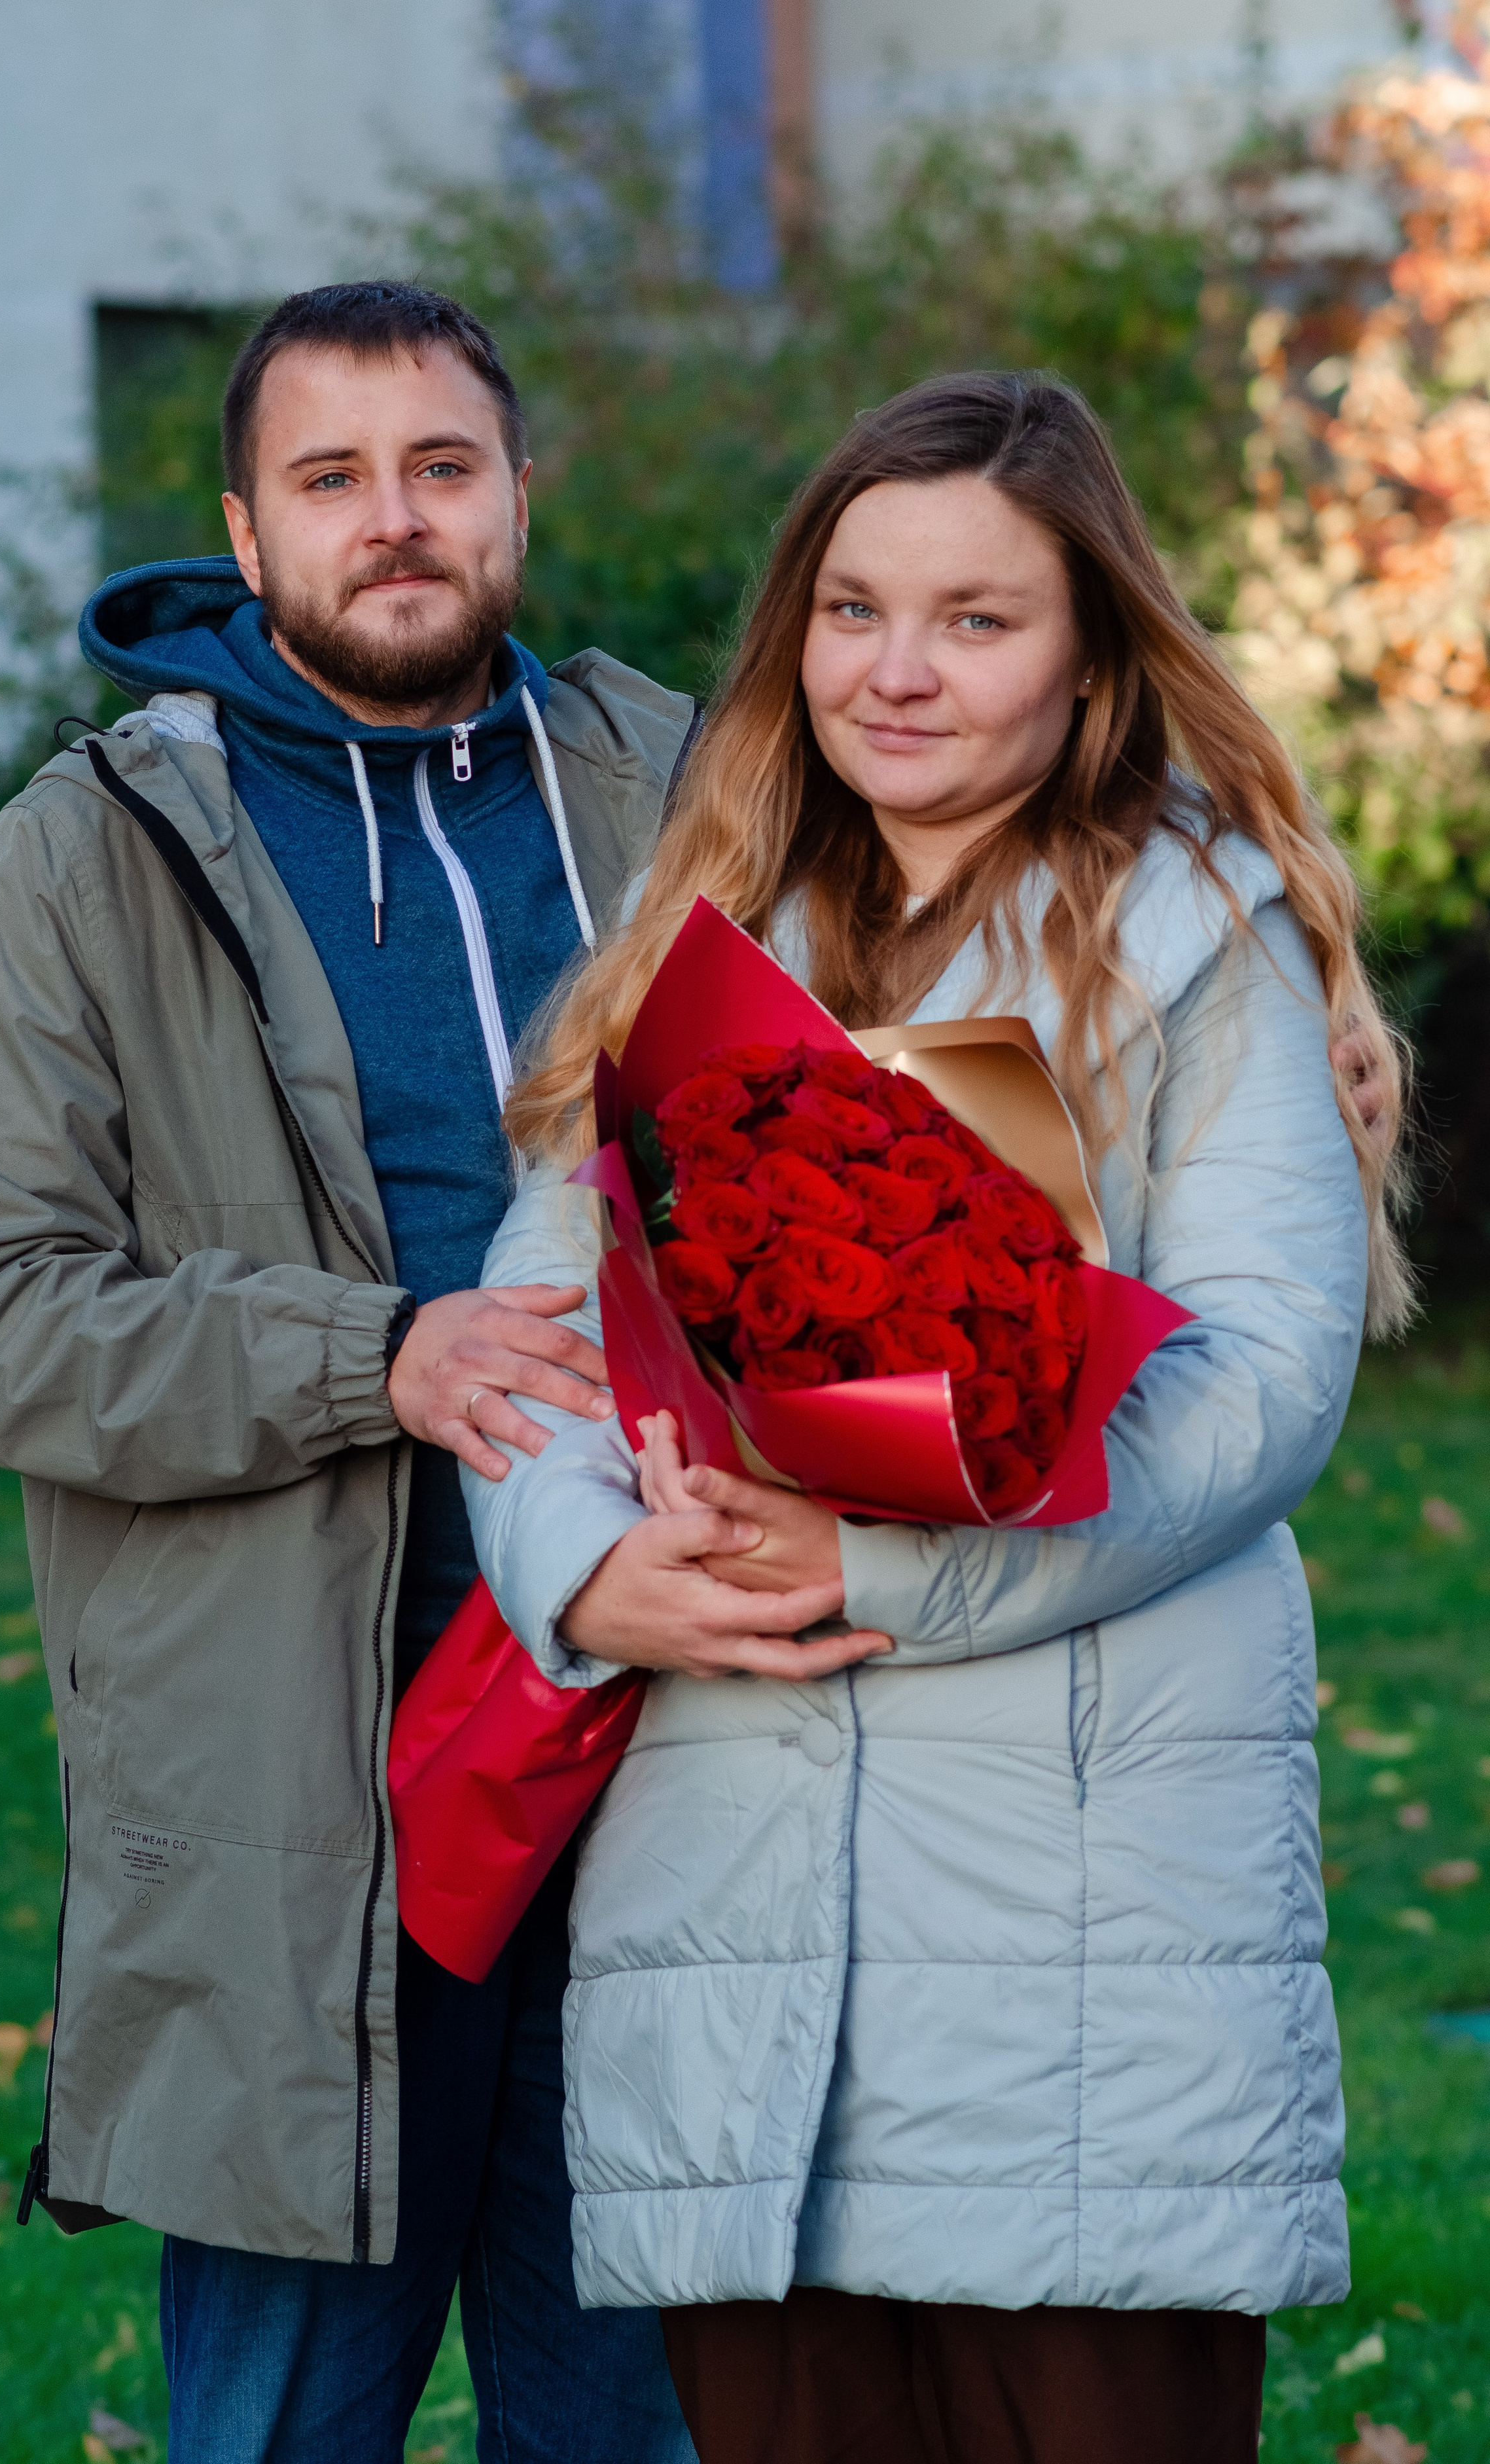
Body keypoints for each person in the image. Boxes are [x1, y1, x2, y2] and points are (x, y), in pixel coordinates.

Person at [461, 370, 1411, 2464]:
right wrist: (592, 1568)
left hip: (1083, 1902)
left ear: (1089, 664)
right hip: (732, 1872)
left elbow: (1259, 1389)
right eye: (855, 607)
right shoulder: (689, 939)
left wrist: (878, 1561)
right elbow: (530, 1334)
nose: (898, 672)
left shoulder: (1204, 932)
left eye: (978, 619)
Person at [0, 281, 703, 2463]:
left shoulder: (678, 788)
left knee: (631, 2416)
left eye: (443, 468)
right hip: (302, 1789)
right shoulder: (88, 853)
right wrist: (379, 1356)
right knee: (284, 2426)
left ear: (518, 495)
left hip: (678, 1733)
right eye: (333, 480)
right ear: (245, 536)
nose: (398, 521)